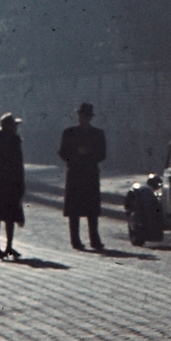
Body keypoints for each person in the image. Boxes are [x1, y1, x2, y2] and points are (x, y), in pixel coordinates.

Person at [58, 102, 107, 250]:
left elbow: (102, 154)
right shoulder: (69, 132)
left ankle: (95, 240)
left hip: (90, 173)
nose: (83, 118)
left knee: (92, 210)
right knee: (74, 210)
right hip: (75, 172)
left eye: (86, 116)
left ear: (90, 118)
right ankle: (75, 240)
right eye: (81, 115)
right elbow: (62, 152)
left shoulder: (98, 133)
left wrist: (89, 154)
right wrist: (75, 154)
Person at [0, 112, 25, 260]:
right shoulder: (11, 141)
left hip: (1, 179)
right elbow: (14, 161)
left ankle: (1, 246)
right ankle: (2, 246)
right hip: (8, 179)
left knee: (2, 215)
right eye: (14, 126)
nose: (16, 128)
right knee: (7, 215)